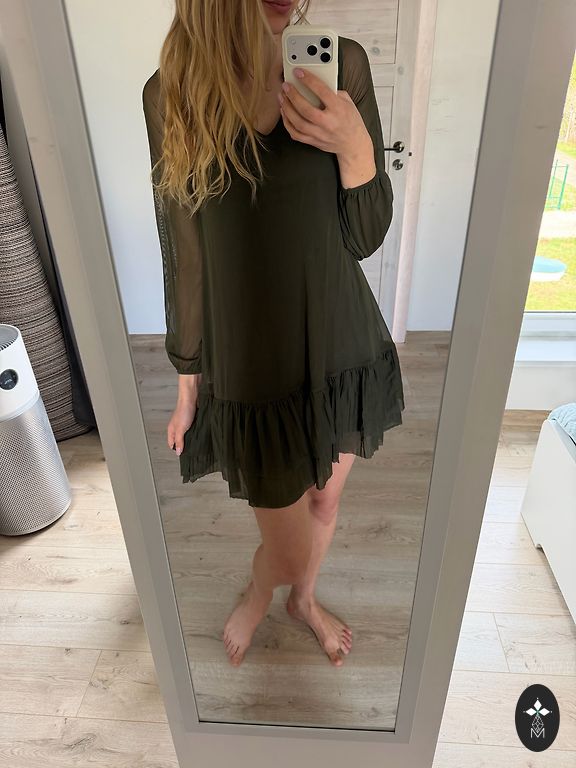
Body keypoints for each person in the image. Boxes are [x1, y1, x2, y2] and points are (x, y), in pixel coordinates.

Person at [142, 0, 405, 668]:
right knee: (286, 549)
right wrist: (188, 378)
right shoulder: (173, 92)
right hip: (252, 358)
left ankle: (303, 600)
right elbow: (185, 254)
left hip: (340, 335)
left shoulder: (342, 66)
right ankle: (268, 588)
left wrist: (355, 146)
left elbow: (365, 235)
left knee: (324, 500)